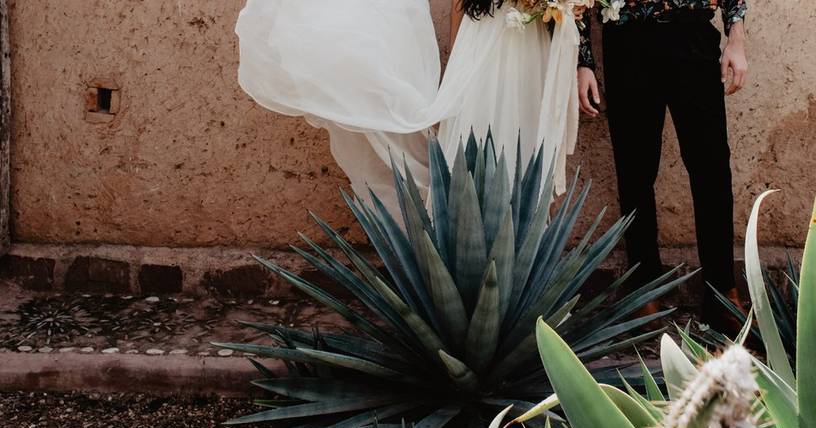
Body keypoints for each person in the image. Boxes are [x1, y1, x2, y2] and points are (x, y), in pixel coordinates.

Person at [234, 0, 582, 210]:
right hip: (487, 38)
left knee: (531, 145)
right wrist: (456, 71)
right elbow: (460, 9)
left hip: (539, 45)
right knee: (468, 146)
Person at [576, 0, 749, 325]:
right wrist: (582, 59)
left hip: (693, 34)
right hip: (627, 40)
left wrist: (735, 36)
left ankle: (723, 294)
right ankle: (645, 292)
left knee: (711, 168)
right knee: (634, 171)